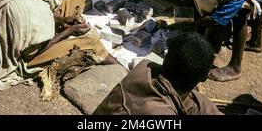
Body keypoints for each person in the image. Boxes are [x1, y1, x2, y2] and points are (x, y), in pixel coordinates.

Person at [93, 32, 222, 115]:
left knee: (202, 104)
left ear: (165, 59)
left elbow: (198, 104)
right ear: (204, 77)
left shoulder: (146, 68)